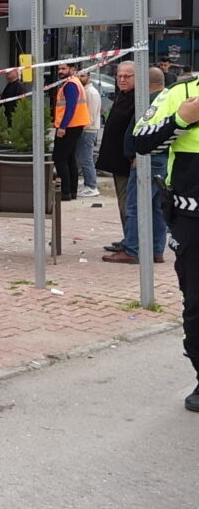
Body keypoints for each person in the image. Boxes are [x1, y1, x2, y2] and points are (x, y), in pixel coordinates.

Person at [131, 71, 199, 412]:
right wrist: (181, 120)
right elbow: (141, 142)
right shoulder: (180, 92)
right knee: (196, 304)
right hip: (192, 220)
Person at [106, 68, 168, 264]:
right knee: (156, 207)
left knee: (134, 205)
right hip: (162, 159)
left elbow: (139, 129)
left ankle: (132, 249)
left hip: (146, 159)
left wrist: (134, 154)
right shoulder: (167, 99)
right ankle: (156, 249)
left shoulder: (148, 102)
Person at [97, 61, 136, 253]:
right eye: (119, 76)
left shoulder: (138, 99)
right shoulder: (122, 96)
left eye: (127, 76)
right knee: (123, 201)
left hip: (127, 161)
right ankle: (129, 238)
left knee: (128, 202)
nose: (122, 79)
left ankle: (132, 242)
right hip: (116, 159)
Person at [52, 63, 91, 201]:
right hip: (75, 124)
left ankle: (65, 191)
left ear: (72, 69)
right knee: (69, 159)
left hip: (69, 126)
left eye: (64, 68)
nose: (60, 71)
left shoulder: (70, 84)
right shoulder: (75, 83)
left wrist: (62, 127)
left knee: (59, 158)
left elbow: (70, 107)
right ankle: (71, 191)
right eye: (59, 69)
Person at [75, 70, 103, 197]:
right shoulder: (85, 91)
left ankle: (91, 186)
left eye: (82, 76)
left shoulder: (91, 93)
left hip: (88, 130)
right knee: (83, 158)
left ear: (89, 77)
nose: (80, 78)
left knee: (86, 159)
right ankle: (88, 184)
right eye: (78, 76)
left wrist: (82, 127)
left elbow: (90, 115)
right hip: (86, 129)